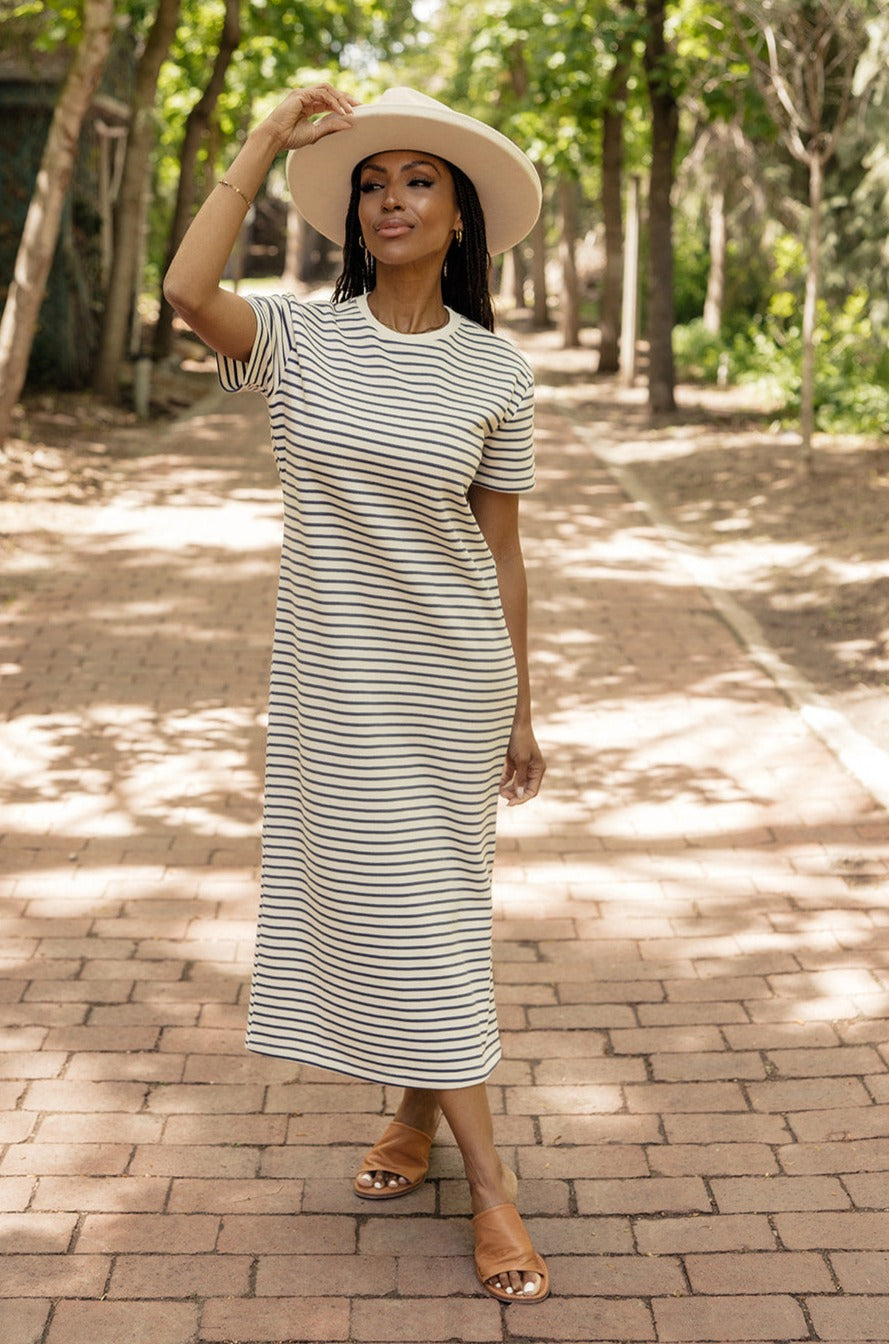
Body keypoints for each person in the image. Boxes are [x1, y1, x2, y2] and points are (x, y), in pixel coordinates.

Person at [164, 81, 549, 1304]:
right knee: (409, 919)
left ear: (459, 217)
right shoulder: (299, 341)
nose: (390, 200)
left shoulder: (498, 372)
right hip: (338, 689)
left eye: (417, 182)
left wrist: (524, 705)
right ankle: (463, 1159)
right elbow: (183, 294)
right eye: (373, 183)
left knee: (433, 920)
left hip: (454, 687)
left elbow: (501, 550)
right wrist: (267, 137)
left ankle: (445, 1145)